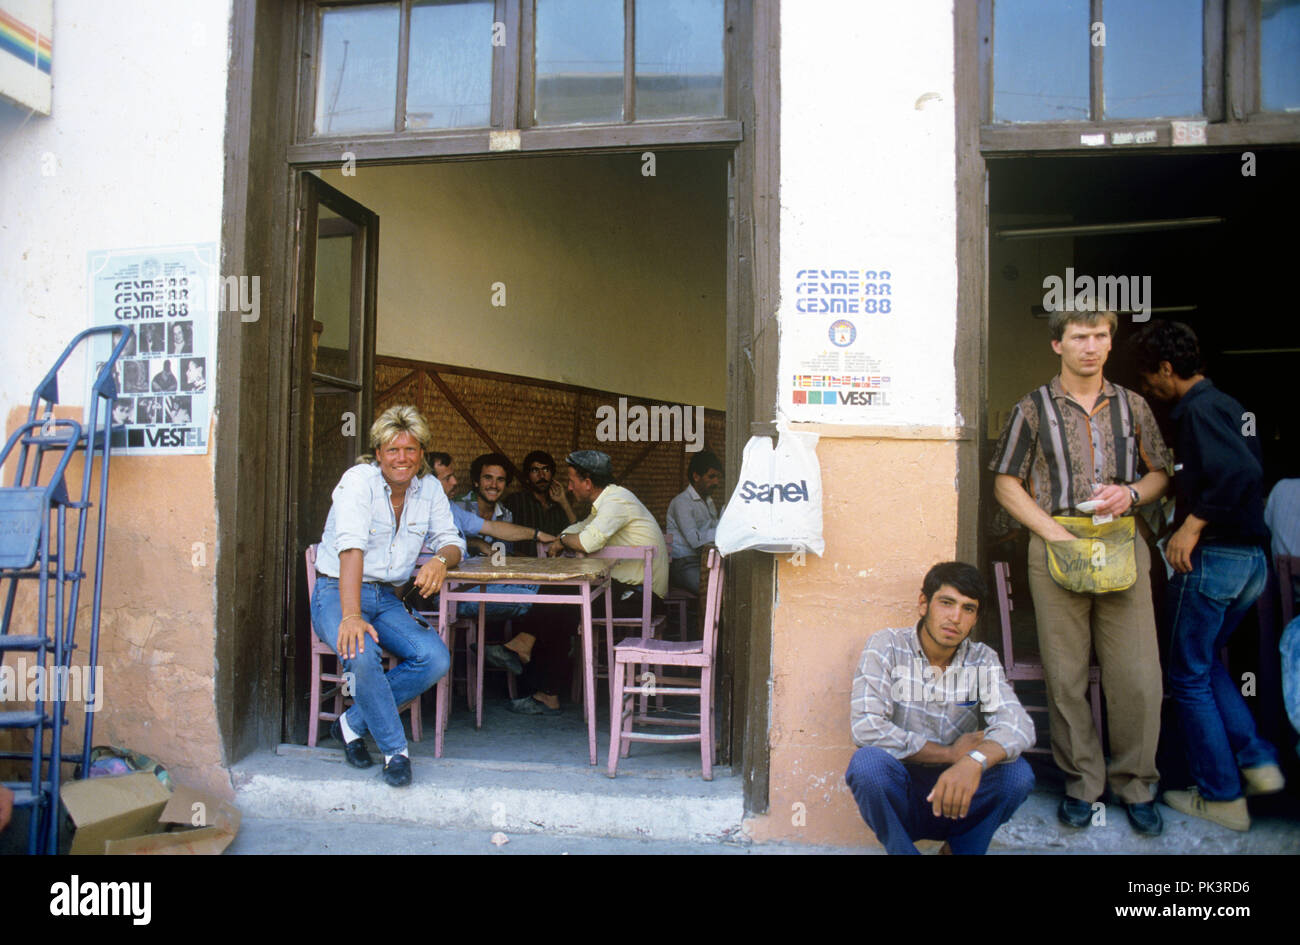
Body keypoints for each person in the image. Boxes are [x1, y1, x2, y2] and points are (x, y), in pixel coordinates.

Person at [989, 307, 1172, 836]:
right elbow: (1006, 482)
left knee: (1138, 676)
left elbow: (1161, 471)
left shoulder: (1134, 405)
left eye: (1100, 336)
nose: (1090, 346)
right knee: (1065, 675)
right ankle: (1082, 784)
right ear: (1058, 345)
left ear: (1110, 344)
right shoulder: (1030, 408)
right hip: (1056, 544)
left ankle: (1136, 784)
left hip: (1121, 543)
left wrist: (1133, 492)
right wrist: (1053, 533)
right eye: (1079, 336)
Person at [1132, 320, 1284, 829]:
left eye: (1149, 377)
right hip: (1251, 566)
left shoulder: (1196, 410)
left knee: (1186, 678)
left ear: (1168, 369)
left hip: (1215, 562)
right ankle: (1257, 761)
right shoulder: (1231, 406)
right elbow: (1242, 467)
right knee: (1204, 666)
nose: (1148, 388)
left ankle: (1222, 797)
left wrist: (1190, 526)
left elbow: (1240, 473)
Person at [310, 405, 465, 787]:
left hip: (387, 597)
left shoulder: (428, 488)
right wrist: (350, 616)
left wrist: (441, 562)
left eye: (410, 450)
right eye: (392, 450)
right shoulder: (358, 481)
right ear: (377, 453)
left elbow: (451, 540)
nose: (402, 458)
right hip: (337, 592)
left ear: (421, 454)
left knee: (434, 658)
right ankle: (396, 751)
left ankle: (351, 724)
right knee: (361, 654)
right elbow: (350, 550)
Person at [844, 562, 1036, 855]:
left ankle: (958, 850)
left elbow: (1019, 726)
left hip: (961, 792)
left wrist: (973, 761)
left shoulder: (981, 659)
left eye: (968, 609)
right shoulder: (887, 646)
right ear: (924, 604)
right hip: (904, 789)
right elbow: (867, 728)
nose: (955, 618)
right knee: (867, 765)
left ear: (974, 619)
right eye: (946, 603)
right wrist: (947, 753)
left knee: (1017, 775)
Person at [488, 450, 668, 715]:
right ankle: (534, 672)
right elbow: (577, 528)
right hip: (621, 591)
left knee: (560, 603)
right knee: (560, 603)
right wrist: (561, 537)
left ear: (588, 481)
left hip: (641, 598)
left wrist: (561, 542)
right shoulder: (605, 504)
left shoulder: (617, 501)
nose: (568, 486)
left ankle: (529, 660)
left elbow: (586, 541)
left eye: (572, 480)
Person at [427, 451, 557, 620]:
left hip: (476, 585)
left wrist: (537, 534)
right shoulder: (426, 513)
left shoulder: (451, 508)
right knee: (532, 598)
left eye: (500, 479)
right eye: (447, 478)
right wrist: (478, 544)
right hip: (451, 592)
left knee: (543, 586)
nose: (455, 482)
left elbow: (493, 528)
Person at [665, 449, 723, 594]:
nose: (716, 482)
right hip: (684, 564)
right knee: (712, 590)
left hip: (704, 561)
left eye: (718, 477)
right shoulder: (682, 502)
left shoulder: (709, 501)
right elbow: (695, 541)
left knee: (726, 586)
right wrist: (723, 532)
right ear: (696, 476)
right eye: (711, 476)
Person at [502, 450, 577, 536]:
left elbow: (577, 533)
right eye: (535, 470)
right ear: (527, 475)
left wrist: (564, 502)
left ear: (552, 474)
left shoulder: (559, 505)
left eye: (546, 469)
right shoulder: (516, 501)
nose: (541, 475)